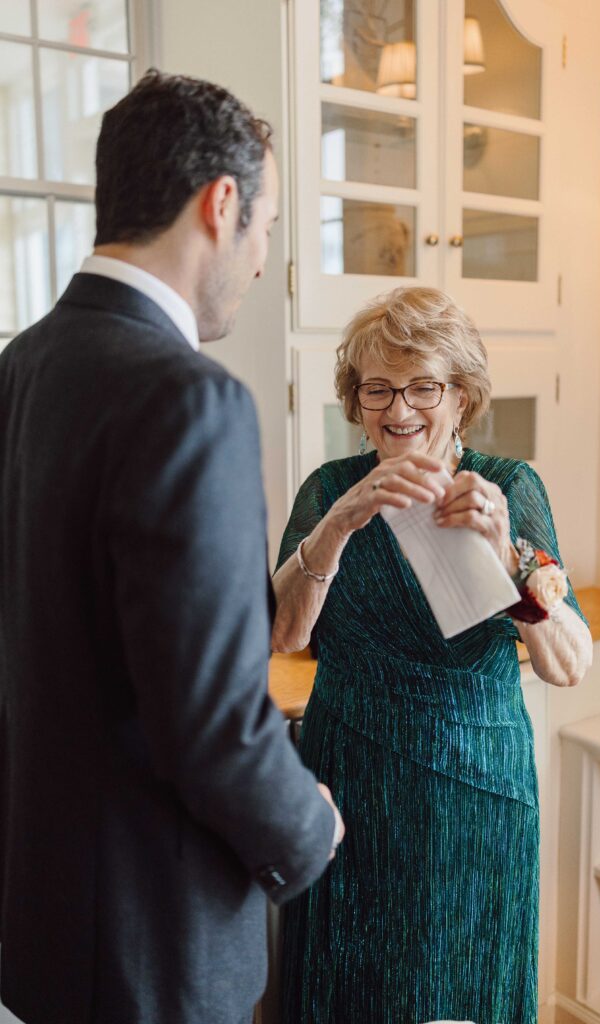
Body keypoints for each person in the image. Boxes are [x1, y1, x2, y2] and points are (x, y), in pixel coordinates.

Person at [0, 69, 343, 1024]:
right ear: (220, 204)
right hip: (154, 943)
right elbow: (214, 721)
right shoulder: (191, 400)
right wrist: (308, 825)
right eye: (267, 227)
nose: (262, 259)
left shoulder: (20, 367)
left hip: (45, 916)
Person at [273, 286, 592, 1024]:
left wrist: (506, 556)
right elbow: (283, 634)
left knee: (459, 980)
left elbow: (567, 663)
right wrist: (337, 525)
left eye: (423, 386)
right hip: (348, 780)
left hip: (473, 790)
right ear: (355, 401)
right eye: (377, 388)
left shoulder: (508, 487)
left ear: (461, 396)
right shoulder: (328, 489)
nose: (399, 409)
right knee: (348, 984)